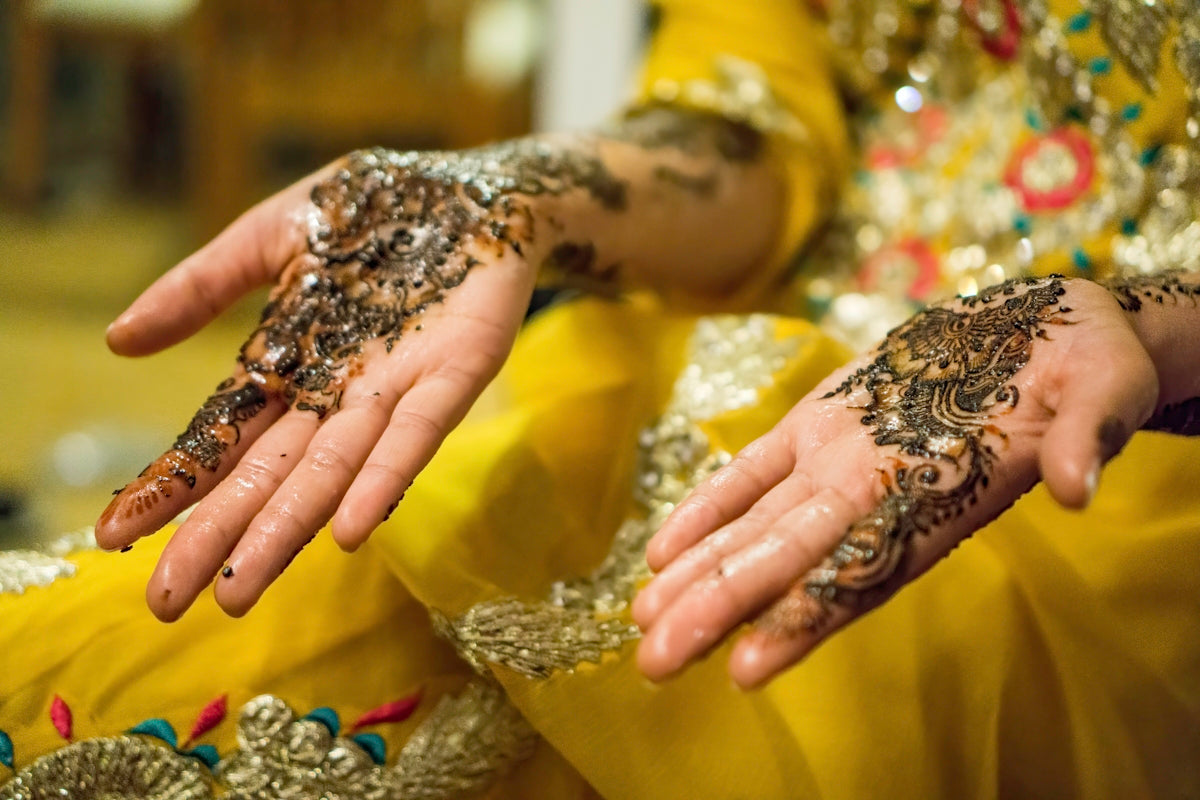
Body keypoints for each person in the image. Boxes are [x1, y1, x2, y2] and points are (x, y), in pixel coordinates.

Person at [2, 0, 1199, 796]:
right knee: (94, 670)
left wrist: (1152, 322)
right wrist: (511, 190)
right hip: (726, 363)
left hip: (1123, 457)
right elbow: (748, 137)